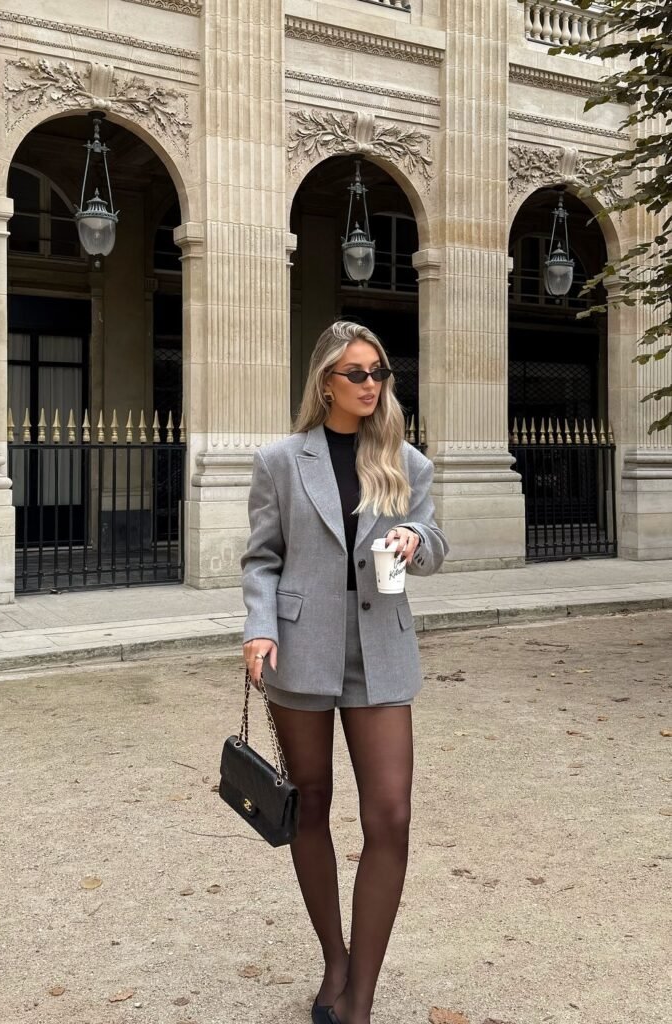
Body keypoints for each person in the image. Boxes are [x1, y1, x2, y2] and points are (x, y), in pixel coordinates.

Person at [241, 321, 448, 1024]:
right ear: (324, 380)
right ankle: (334, 957)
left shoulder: (404, 461)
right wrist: (259, 628)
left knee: (389, 815)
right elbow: (262, 558)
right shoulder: (279, 459)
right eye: (355, 373)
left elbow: (433, 542)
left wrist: (416, 537)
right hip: (299, 650)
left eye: (378, 373)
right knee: (310, 806)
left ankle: (358, 998)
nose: (369, 385)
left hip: (381, 651)